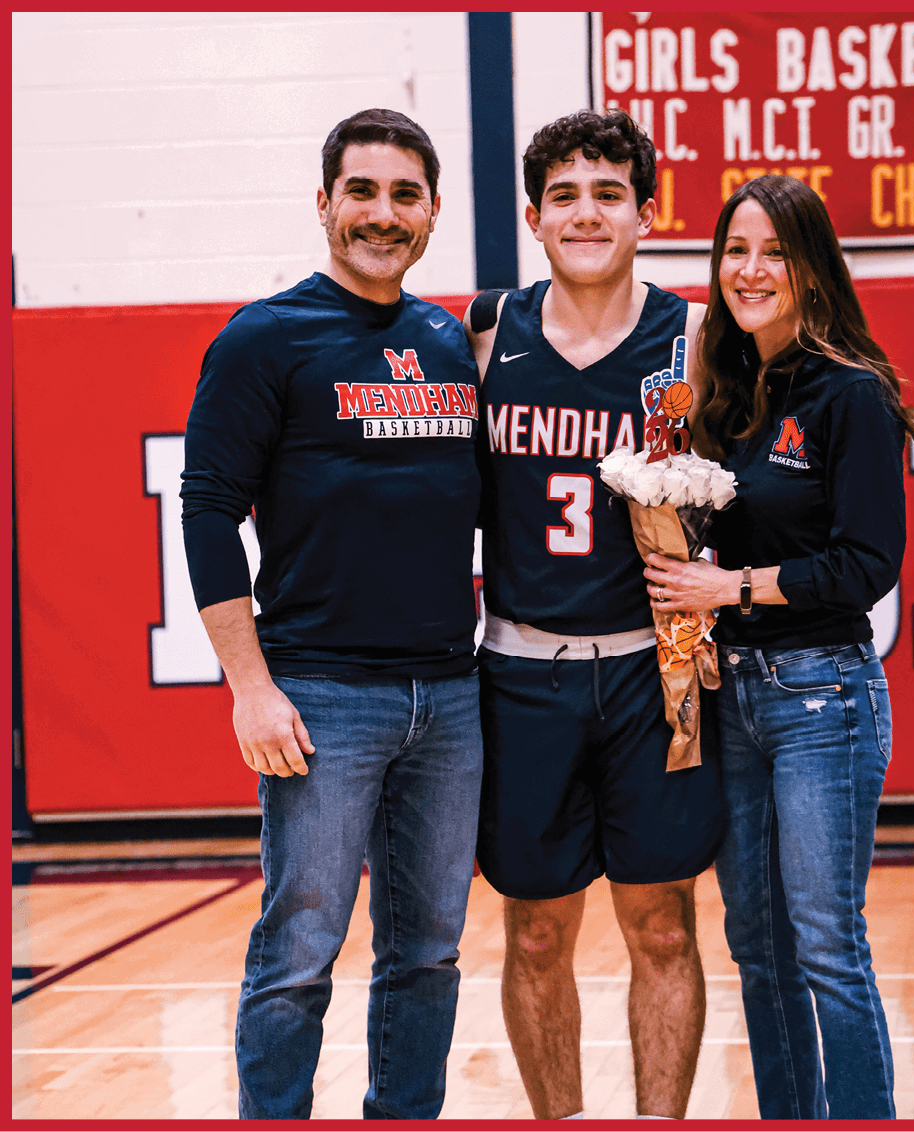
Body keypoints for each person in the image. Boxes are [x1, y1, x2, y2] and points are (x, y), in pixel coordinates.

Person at [180, 108, 484, 1120]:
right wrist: (250, 687)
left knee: (429, 949)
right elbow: (210, 511)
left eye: (405, 195)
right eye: (362, 190)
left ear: (433, 211)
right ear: (324, 203)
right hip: (319, 695)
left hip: (449, 694)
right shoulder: (265, 337)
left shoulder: (448, 343)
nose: (382, 214)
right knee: (300, 945)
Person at [643, 173, 914, 1119]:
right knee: (757, 949)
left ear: (812, 269)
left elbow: (866, 565)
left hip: (823, 699)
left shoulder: (851, 394)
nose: (752, 269)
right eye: (736, 250)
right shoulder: (726, 397)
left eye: (774, 251)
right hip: (737, 699)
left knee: (824, 945)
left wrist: (728, 589)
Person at [463, 109, 722, 1121]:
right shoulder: (486, 331)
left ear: (645, 214)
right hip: (522, 671)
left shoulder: (695, 333)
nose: (585, 212)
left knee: (663, 926)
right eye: (563, 194)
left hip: (653, 672)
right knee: (535, 932)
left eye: (608, 192)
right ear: (533, 216)